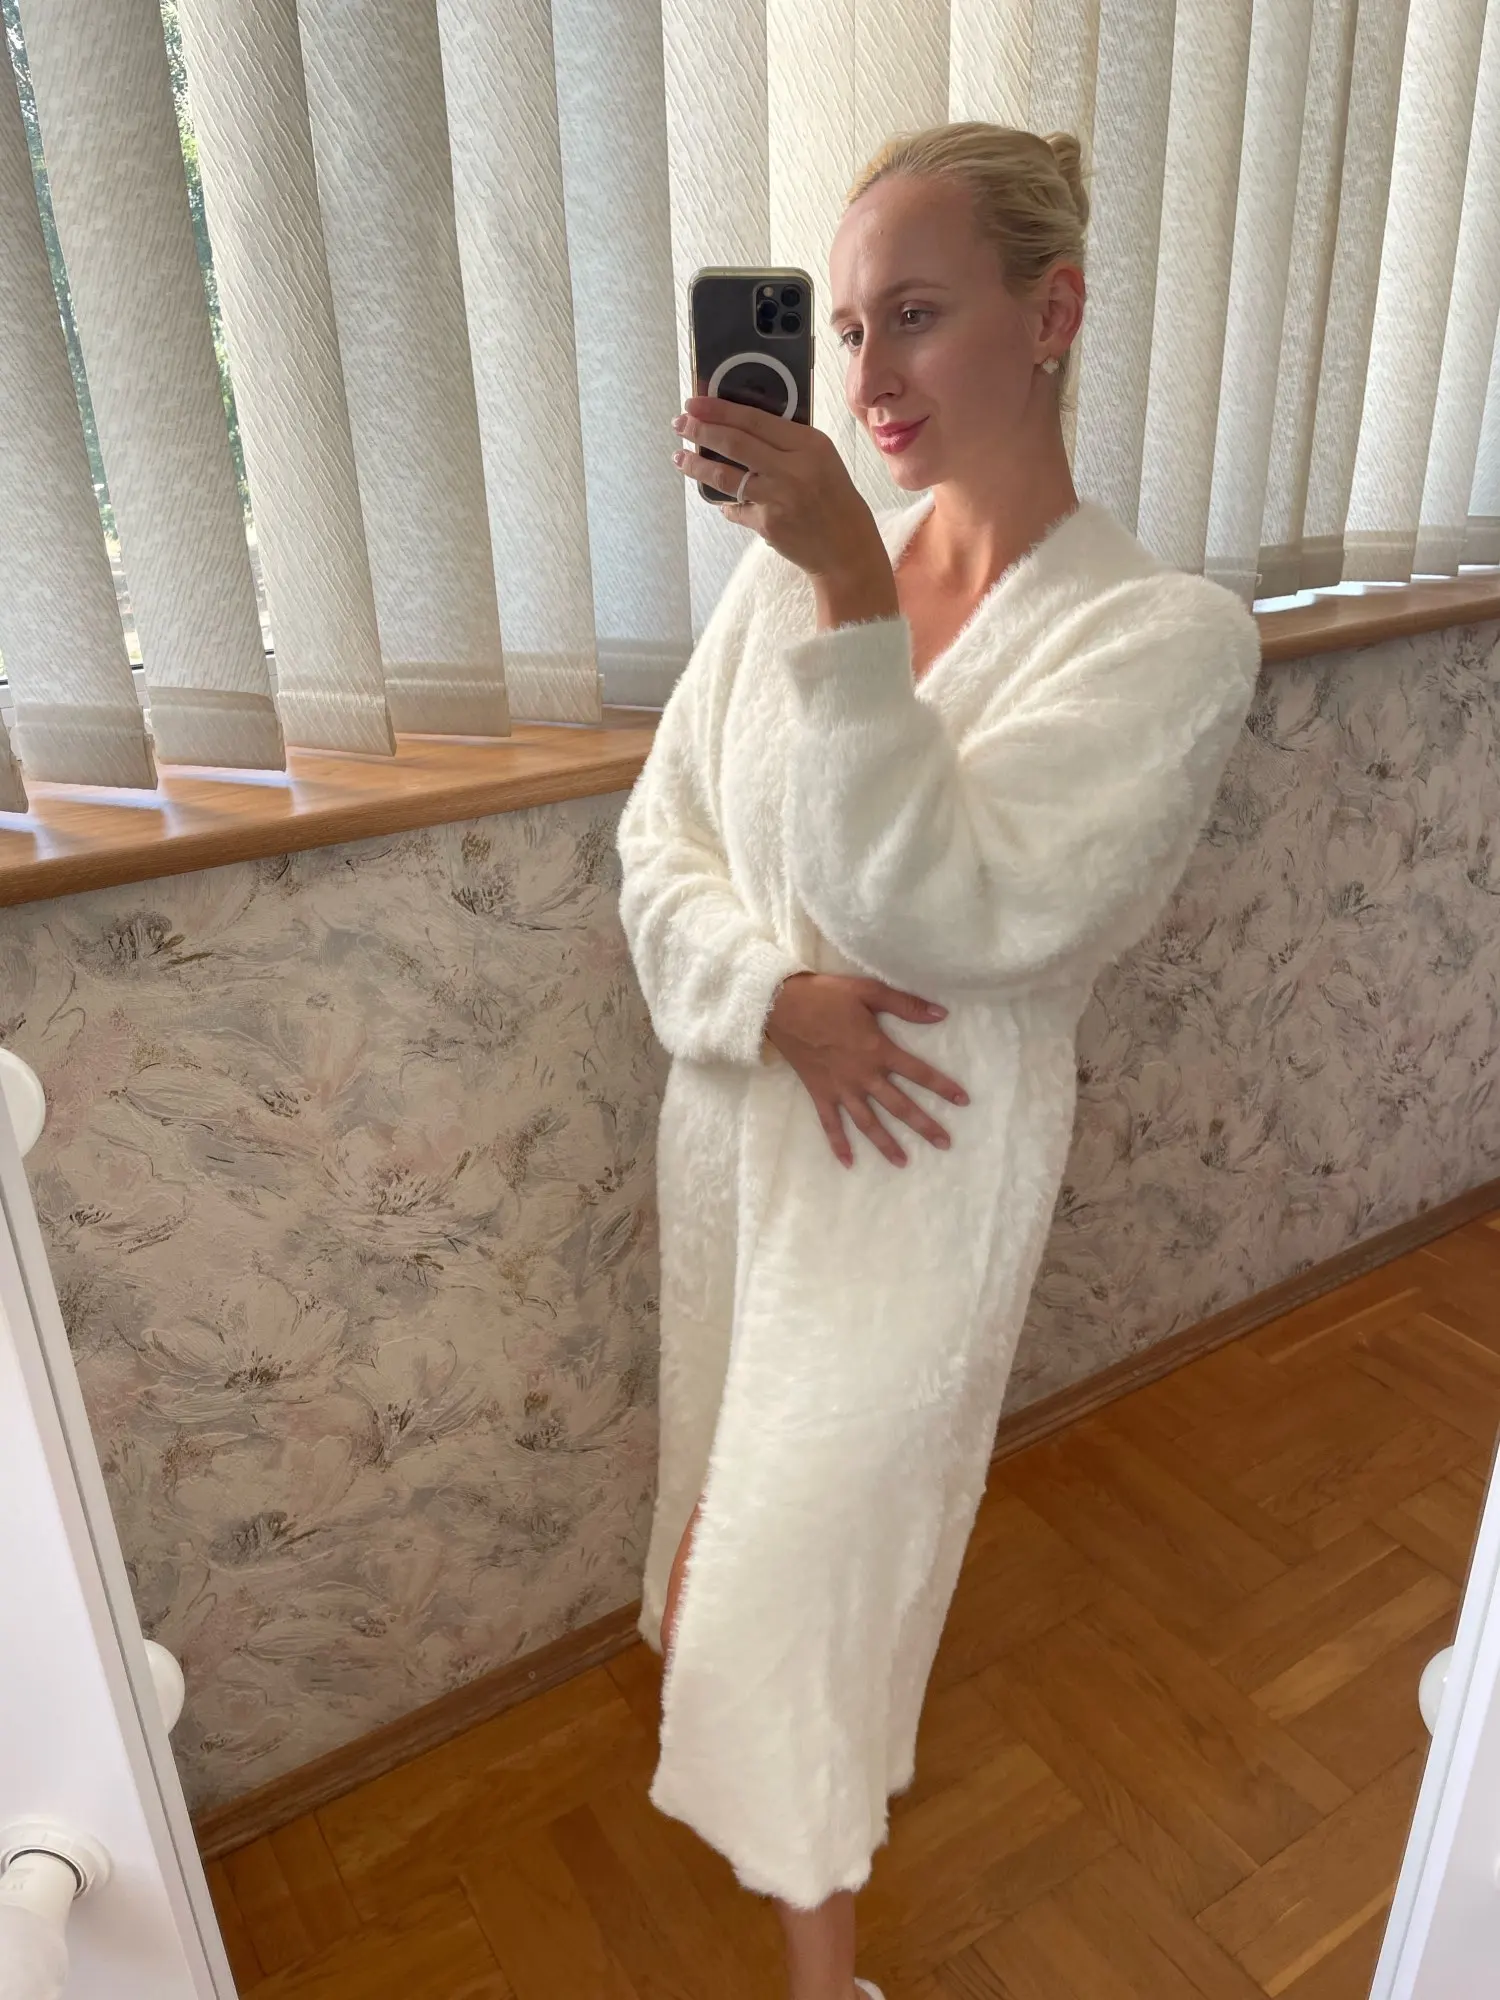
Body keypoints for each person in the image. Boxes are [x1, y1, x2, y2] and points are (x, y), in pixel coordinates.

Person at [614, 121, 1262, 2000]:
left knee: (808, 1591)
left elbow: (950, 913)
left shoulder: (1160, 641)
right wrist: (768, 999)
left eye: (915, 314)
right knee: (715, 1542)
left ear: (1051, 314)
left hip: (914, 1189)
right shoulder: (791, 571)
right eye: (842, 327)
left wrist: (847, 598)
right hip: (738, 1144)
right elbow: (661, 842)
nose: (867, 374)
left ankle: (826, 1980)